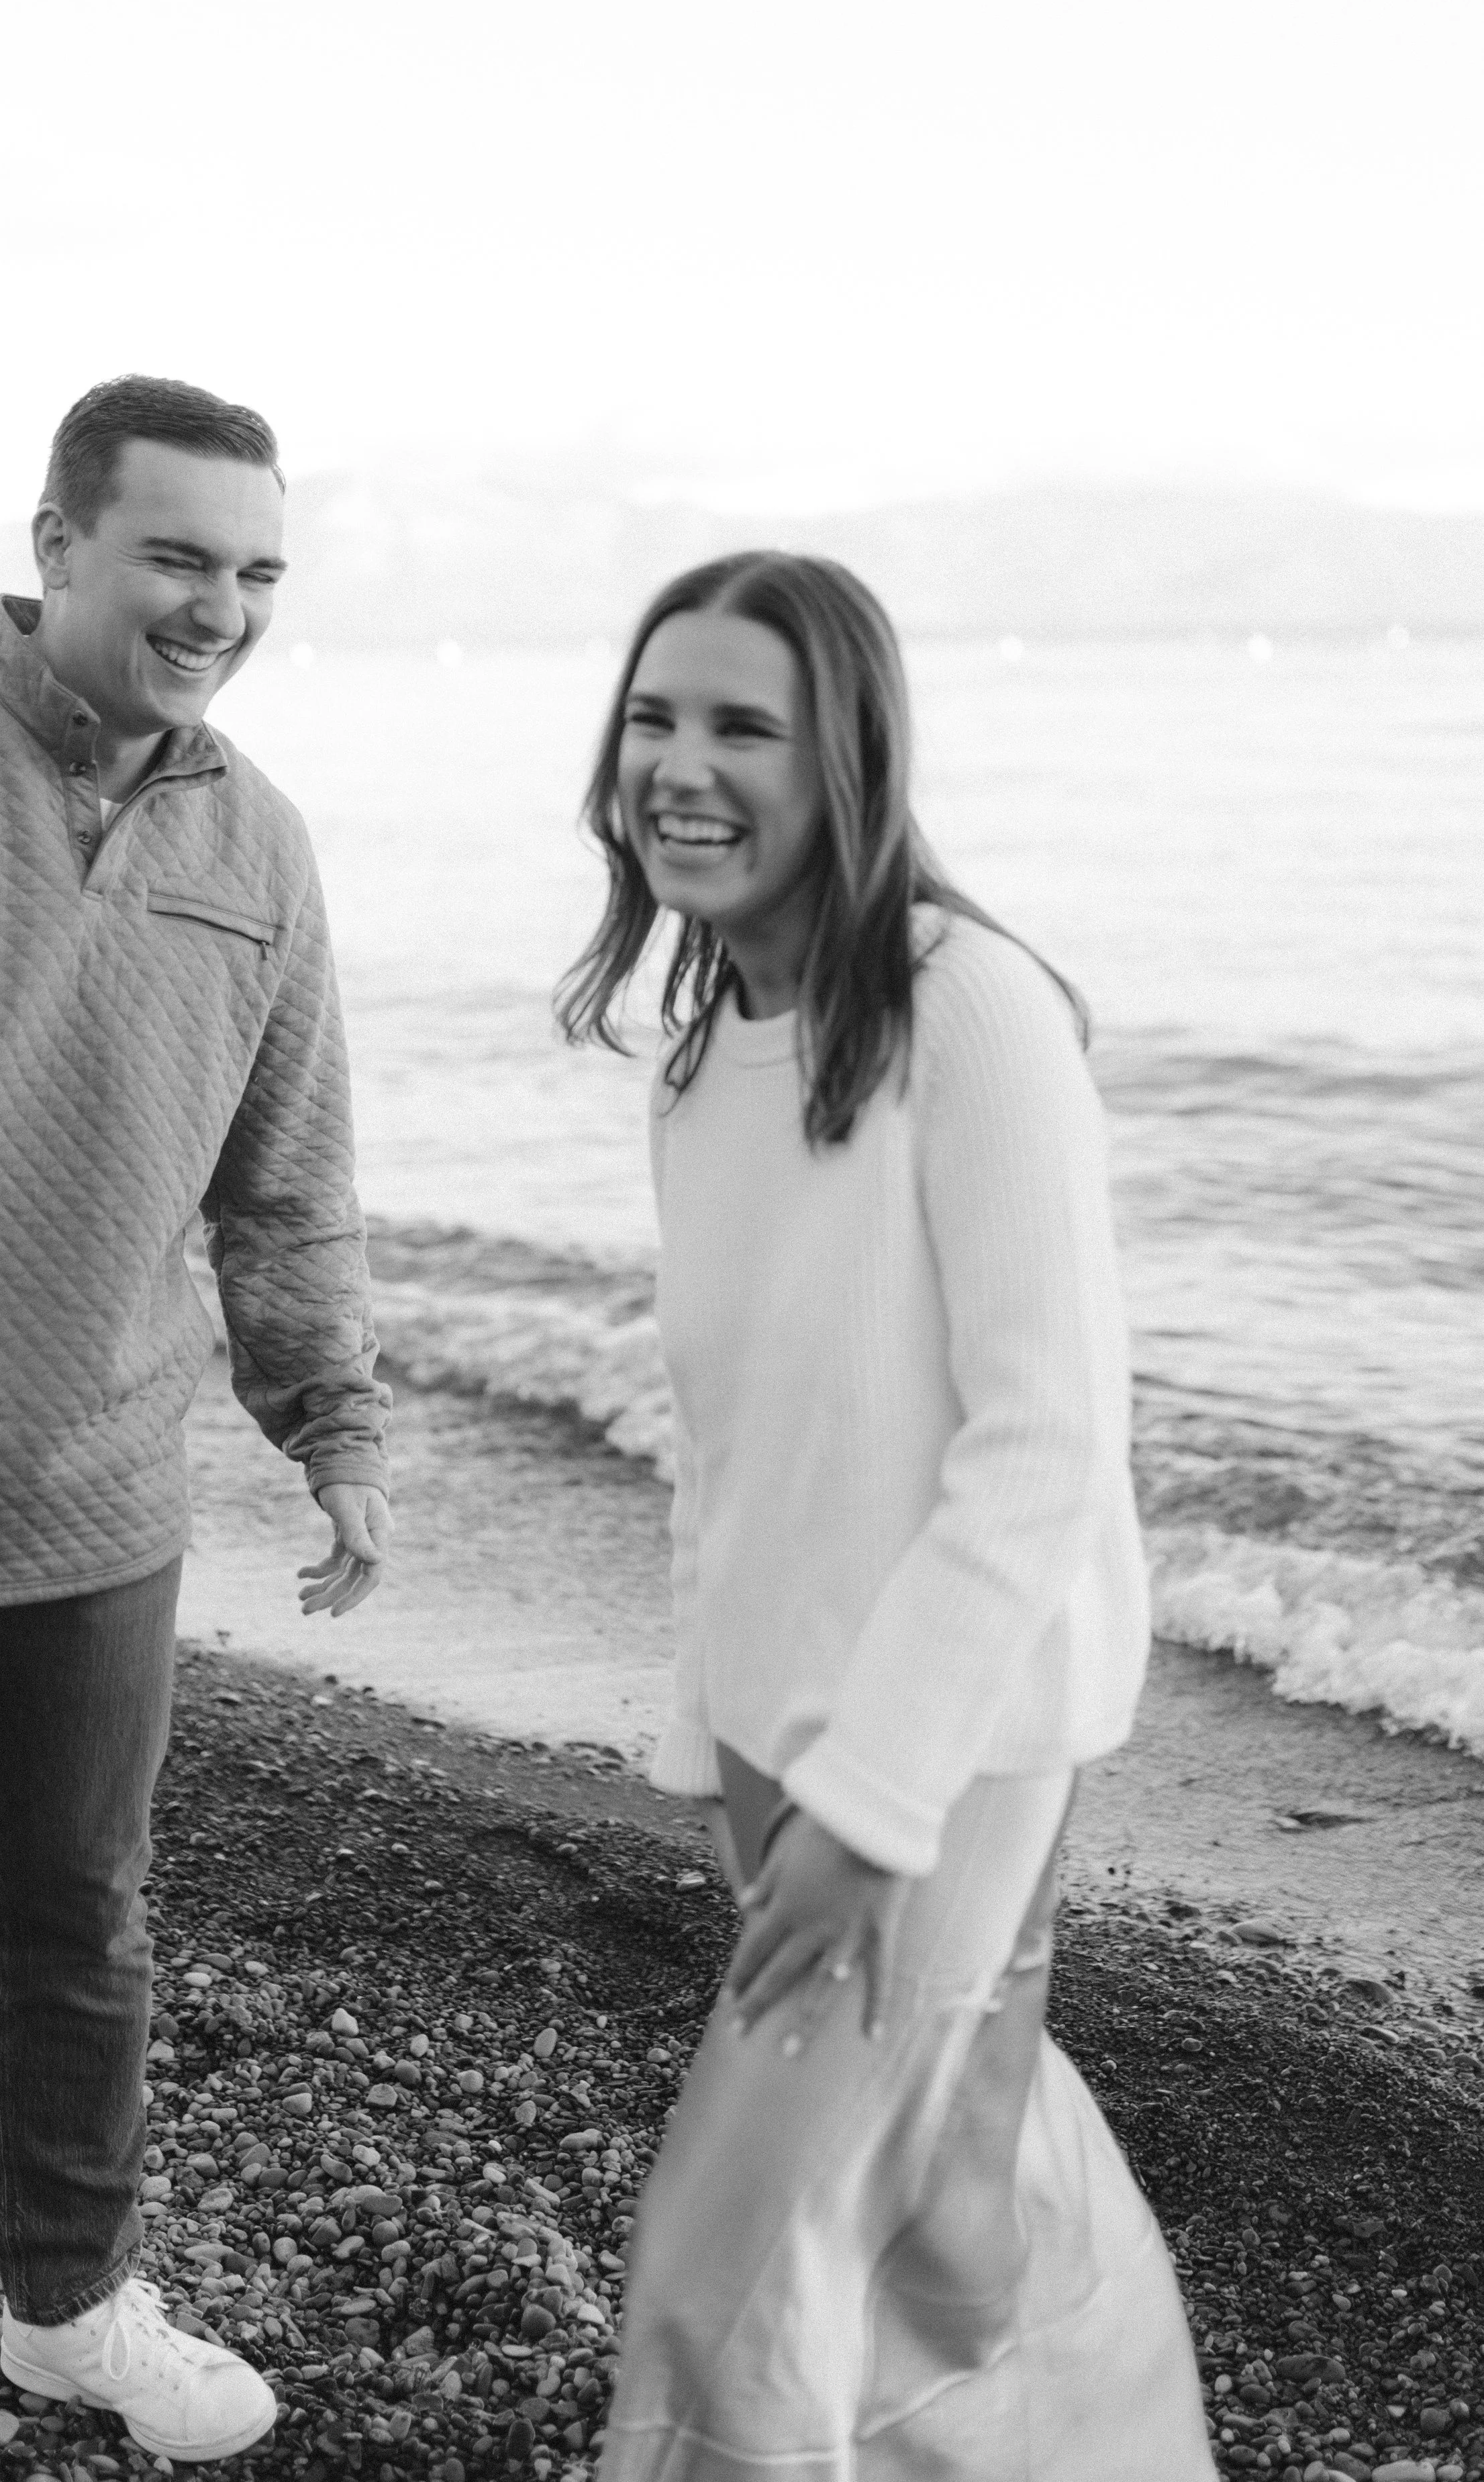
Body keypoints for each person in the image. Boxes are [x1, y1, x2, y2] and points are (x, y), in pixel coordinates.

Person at [557, 553, 1214, 2479]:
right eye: (652, 716)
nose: (679, 765)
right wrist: (721, 1740)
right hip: (789, 1734)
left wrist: (865, 1807)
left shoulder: (973, 1009)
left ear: (847, 756)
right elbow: (741, 1454)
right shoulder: (699, 1058)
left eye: (740, 725)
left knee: (728, 2265)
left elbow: (1039, 1450)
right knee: (938, 2202)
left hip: (939, 1753)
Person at [0, 377, 393, 2479]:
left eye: (252, 571)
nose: (215, 605)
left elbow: (285, 1177)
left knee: (95, 1935)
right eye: (174, 555)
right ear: (57, 544)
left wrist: (333, 1420)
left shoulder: (261, 842)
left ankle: (70, 2311)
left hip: (98, 1498)